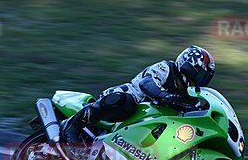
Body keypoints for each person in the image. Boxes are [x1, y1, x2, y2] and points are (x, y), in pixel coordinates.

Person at [60, 46, 215, 143]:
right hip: (127, 101)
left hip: (144, 122)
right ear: (189, 66)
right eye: (200, 75)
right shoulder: (166, 69)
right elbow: (146, 84)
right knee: (126, 102)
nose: (200, 81)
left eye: (204, 78)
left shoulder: (187, 94)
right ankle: (73, 124)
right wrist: (163, 95)